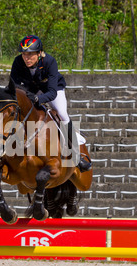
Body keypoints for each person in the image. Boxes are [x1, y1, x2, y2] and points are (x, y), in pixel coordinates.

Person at [10, 35, 92, 172]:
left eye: (30, 54)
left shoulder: (49, 61)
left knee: (62, 113)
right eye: (24, 54)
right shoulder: (18, 62)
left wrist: (38, 100)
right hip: (30, 91)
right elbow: (14, 86)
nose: (26, 58)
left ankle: (77, 156)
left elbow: (52, 92)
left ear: (39, 53)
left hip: (52, 90)